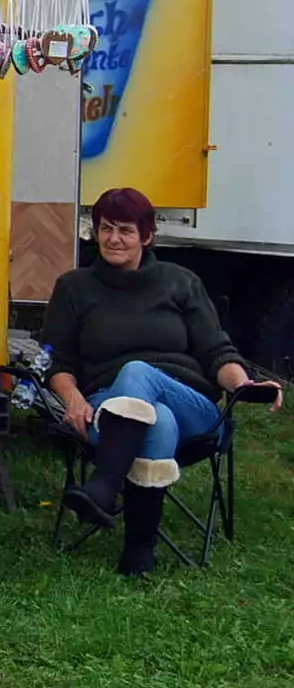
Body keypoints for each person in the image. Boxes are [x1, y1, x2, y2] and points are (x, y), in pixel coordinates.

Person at [43, 188, 283, 576]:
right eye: (105, 228)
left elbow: (217, 350)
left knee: (138, 372)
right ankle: (139, 553)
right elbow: (59, 362)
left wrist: (242, 384)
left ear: (147, 236)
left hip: (189, 402)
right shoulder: (74, 287)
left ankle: (105, 483)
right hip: (107, 403)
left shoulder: (180, 282)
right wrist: (72, 399)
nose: (113, 239)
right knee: (158, 421)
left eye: (125, 230)